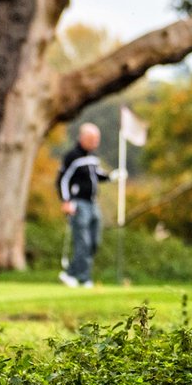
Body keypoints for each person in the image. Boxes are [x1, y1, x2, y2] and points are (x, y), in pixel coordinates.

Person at [56, 123, 123, 288]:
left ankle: (74, 273)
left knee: (94, 241)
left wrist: (111, 176)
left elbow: (96, 175)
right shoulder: (72, 156)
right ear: (83, 138)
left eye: (97, 139)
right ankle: (81, 277)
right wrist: (66, 201)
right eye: (93, 139)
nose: (96, 143)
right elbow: (62, 180)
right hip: (78, 203)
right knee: (83, 241)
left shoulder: (92, 157)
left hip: (93, 203)